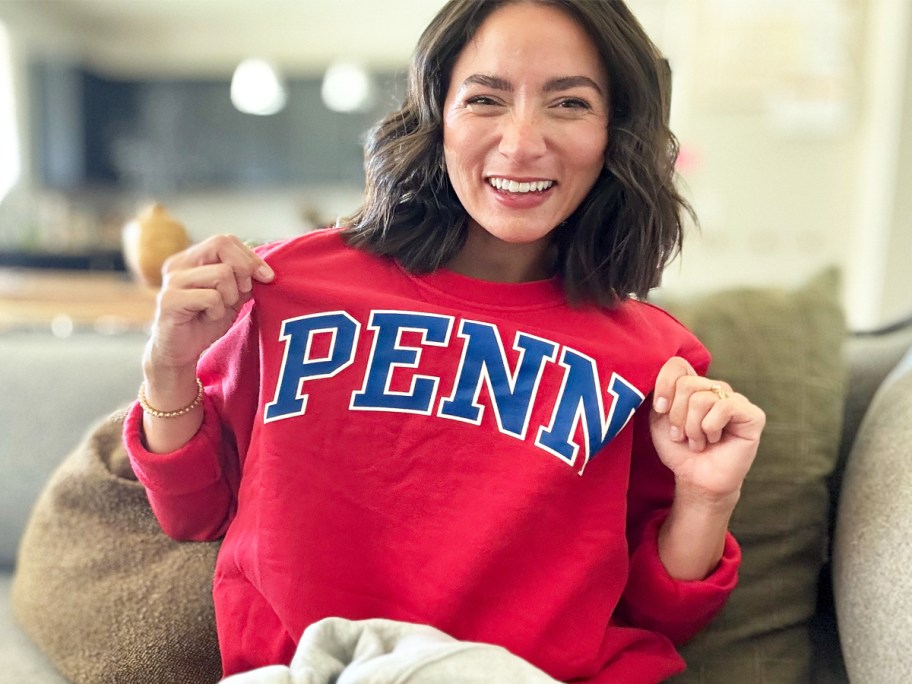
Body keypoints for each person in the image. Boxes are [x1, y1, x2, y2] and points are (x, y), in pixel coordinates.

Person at [124, 1, 765, 682]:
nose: (521, 143)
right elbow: (193, 514)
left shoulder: (656, 362)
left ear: (616, 133)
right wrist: (169, 366)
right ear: (437, 119)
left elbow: (659, 615)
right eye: (485, 98)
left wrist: (706, 499)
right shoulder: (287, 285)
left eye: (570, 104)